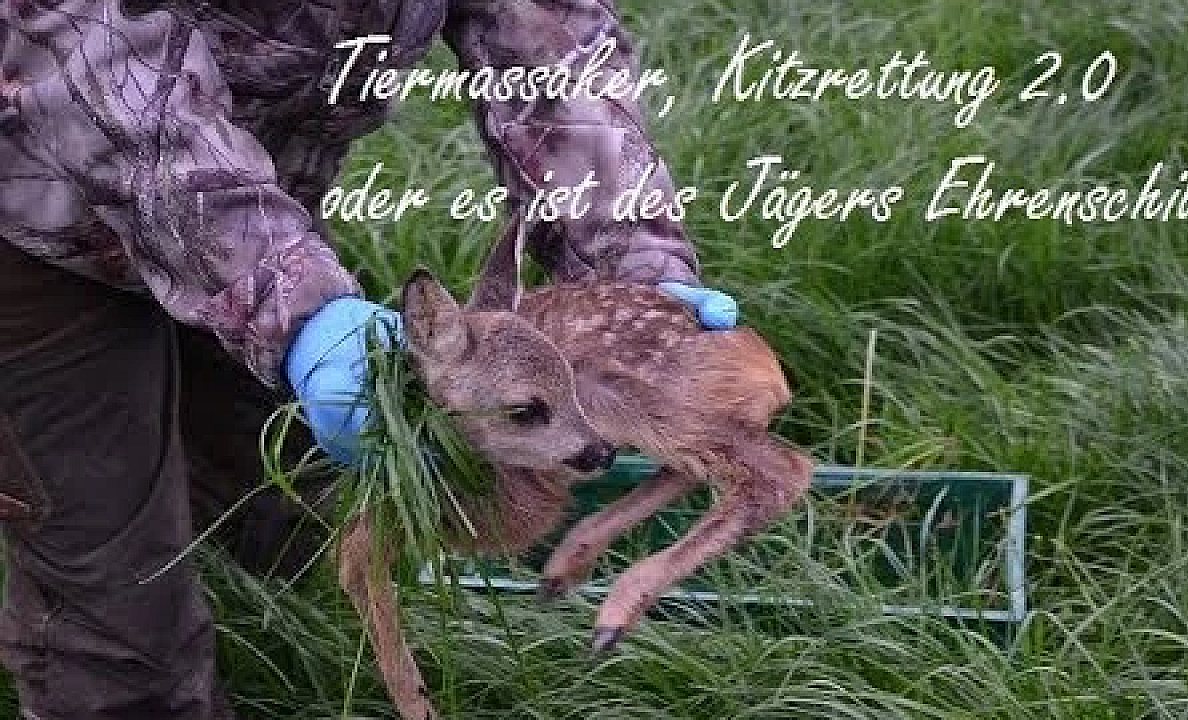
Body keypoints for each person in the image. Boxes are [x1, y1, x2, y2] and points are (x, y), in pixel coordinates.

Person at [0, 1, 737, 717]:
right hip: (35, 225)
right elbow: (90, 50)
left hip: (251, 205)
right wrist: (293, 305)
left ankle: (263, 664)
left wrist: (630, 253)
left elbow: (549, 36)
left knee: (270, 505)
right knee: (114, 603)